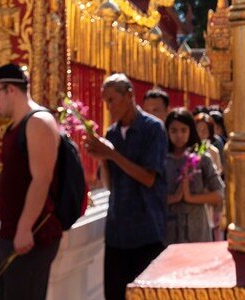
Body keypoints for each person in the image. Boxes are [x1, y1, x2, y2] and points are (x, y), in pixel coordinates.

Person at [0, 64, 62, 300]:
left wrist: (25, 228)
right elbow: (9, 183)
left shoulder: (38, 122)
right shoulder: (14, 129)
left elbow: (42, 179)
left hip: (31, 237)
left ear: (10, 90)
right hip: (12, 235)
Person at [85, 73, 167, 300]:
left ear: (129, 95)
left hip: (146, 231)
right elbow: (111, 184)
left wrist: (112, 154)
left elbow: (149, 178)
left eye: (112, 100)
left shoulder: (153, 129)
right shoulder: (112, 133)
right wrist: (102, 158)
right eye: (106, 101)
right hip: (117, 233)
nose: (109, 106)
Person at [165, 108, 223, 244]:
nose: (179, 135)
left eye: (183, 130)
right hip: (168, 232)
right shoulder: (161, 160)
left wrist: (191, 198)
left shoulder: (202, 159)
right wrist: (174, 198)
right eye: (173, 130)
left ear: (191, 131)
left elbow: (219, 195)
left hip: (198, 230)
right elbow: (151, 197)